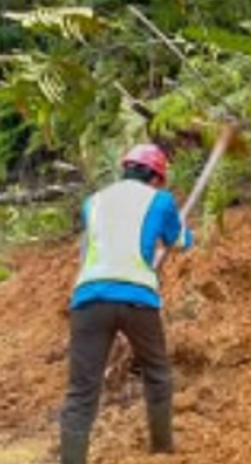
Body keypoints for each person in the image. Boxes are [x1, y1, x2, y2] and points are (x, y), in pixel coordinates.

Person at [59, 143, 192, 464]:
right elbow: (181, 241)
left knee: (81, 390)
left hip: (89, 299)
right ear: (157, 177)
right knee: (157, 374)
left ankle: (72, 460)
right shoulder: (160, 200)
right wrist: (184, 230)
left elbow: (89, 250)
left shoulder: (94, 202)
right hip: (137, 299)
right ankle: (162, 450)